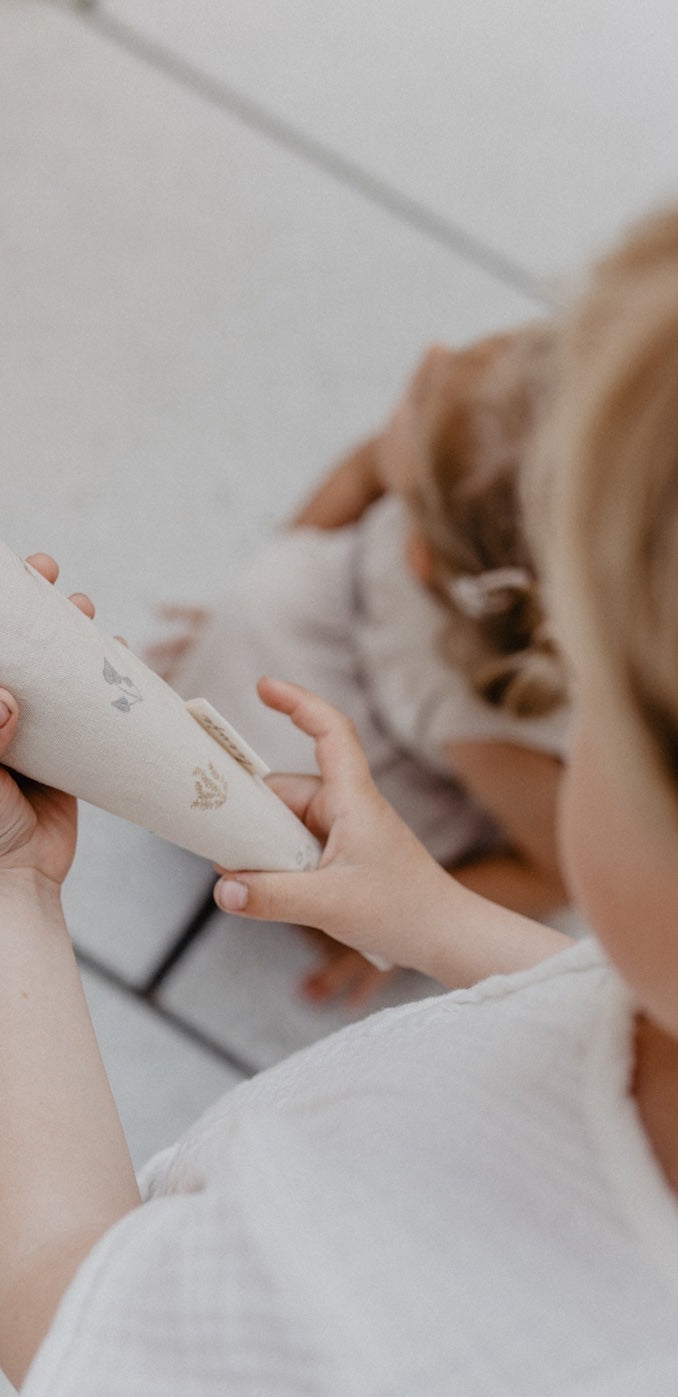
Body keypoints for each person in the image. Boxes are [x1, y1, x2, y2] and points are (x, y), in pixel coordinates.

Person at [0, 208, 678, 1397]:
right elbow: (612, 1004)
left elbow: (68, 1317)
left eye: (590, 707)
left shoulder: (402, 1365)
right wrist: (425, 916)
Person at [149, 323, 571, 1007]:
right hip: (332, 624)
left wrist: (400, 924)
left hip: (378, 754)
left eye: (428, 386)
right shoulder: (454, 476)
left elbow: (555, 873)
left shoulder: (483, 723)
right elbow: (360, 474)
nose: (430, 353)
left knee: (282, 809)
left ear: (420, 556)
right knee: (262, 610)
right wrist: (269, 594)